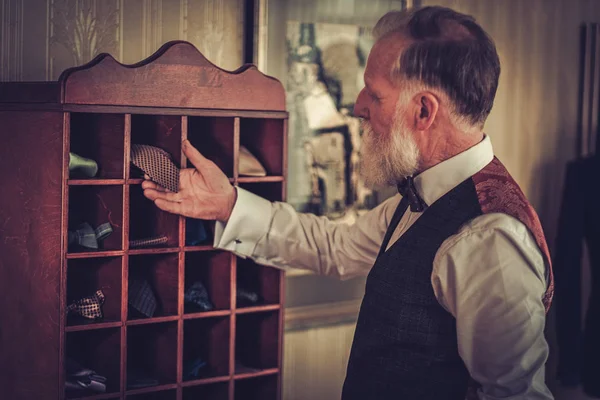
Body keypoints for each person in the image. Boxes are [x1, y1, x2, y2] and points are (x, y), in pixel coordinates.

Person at [142, 6, 554, 400]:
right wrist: (228, 205)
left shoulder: (490, 240)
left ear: (424, 110)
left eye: (374, 94)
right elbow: (333, 248)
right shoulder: (424, 195)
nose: (358, 106)